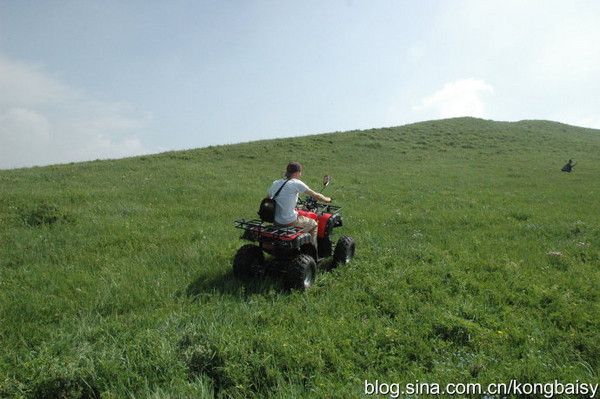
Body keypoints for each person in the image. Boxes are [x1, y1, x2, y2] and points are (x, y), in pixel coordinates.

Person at [268, 162, 331, 248]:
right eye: (300, 172)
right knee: (313, 224)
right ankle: (312, 251)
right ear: (297, 173)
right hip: (289, 222)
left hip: (276, 220)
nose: (300, 175)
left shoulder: (276, 183)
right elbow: (316, 195)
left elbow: (268, 199)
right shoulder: (296, 183)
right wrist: (327, 199)